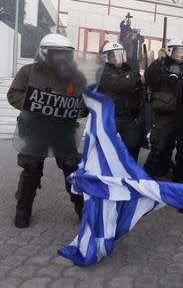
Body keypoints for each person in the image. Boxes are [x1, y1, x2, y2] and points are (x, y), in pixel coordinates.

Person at [7, 34, 87, 228]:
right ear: (45, 53)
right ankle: (23, 208)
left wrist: (82, 107)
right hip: (36, 128)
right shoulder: (29, 72)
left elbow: (84, 101)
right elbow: (13, 94)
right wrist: (34, 105)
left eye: (64, 54)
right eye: (56, 53)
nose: (61, 57)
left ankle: (82, 209)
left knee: (71, 167)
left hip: (64, 131)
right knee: (32, 167)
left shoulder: (76, 76)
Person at [143, 39, 183, 182]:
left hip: (181, 112)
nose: (181, 55)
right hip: (164, 112)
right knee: (158, 146)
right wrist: (159, 61)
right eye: (178, 52)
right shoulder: (161, 64)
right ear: (170, 51)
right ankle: (147, 176)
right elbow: (149, 77)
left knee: (172, 145)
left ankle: (163, 170)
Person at [97, 42, 145, 160]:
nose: (116, 58)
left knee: (133, 145)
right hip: (110, 116)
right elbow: (118, 85)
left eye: (119, 54)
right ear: (106, 57)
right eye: (112, 55)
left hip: (128, 116)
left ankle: (128, 170)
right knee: (105, 146)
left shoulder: (129, 70)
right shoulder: (103, 71)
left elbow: (138, 86)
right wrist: (137, 82)